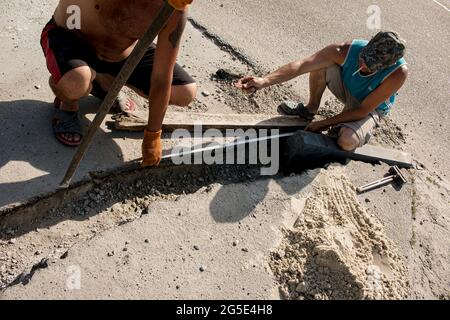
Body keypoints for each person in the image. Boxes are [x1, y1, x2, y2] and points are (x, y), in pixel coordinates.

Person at [40, 0, 197, 166]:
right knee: (75, 82)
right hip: (71, 38)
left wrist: (153, 134)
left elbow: (161, 77)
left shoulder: (173, 9)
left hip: (119, 54)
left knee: (185, 92)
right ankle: (68, 102)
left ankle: (104, 81)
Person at [236, 31, 408, 151]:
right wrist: (264, 80)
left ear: (388, 65)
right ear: (367, 46)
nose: (364, 65)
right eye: (364, 59)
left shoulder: (398, 73)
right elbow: (302, 65)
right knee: (320, 65)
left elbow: (362, 110)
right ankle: (310, 109)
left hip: (368, 105)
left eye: (371, 66)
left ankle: (345, 129)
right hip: (347, 88)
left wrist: (325, 123)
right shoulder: (344, 50)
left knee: (347, 141)